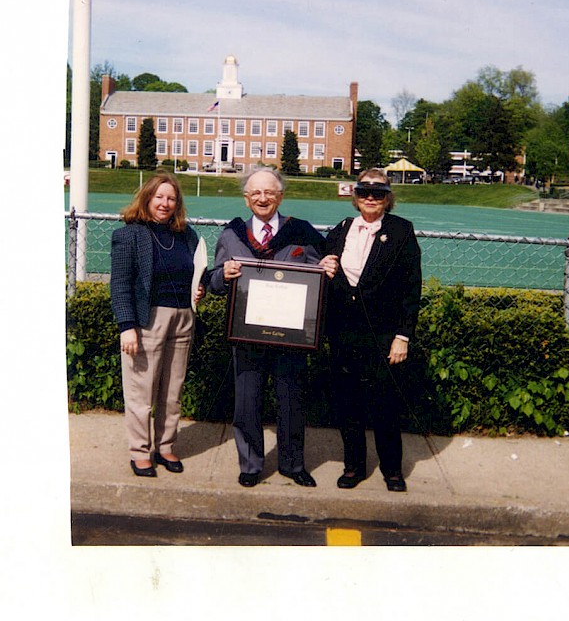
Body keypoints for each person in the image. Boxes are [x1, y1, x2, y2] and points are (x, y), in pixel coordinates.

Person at [208, 167, 338, 488]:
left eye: (269, 193)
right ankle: (251, 465)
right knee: (247, 401)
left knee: (291, 400)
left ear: (280, 196)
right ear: (246, 199)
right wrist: (223, 275)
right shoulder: (231, 235)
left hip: (291, 336)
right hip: (247, 335)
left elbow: (323, 269)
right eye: (256, 193)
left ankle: (293, 464)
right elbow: (212, 281)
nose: (263, 198)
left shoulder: (303, 233)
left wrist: (328, 265)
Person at [325, 168, 422, 492]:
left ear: (387, 198)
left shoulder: (401, 231)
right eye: (365, 192)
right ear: (355, 196)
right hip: (343, 333)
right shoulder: (340, 229)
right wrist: (324, 266)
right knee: (348, 403)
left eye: (378, 193)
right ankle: (353, 466)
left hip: (382, 334)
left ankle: (392, 470)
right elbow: (327, 272)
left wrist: (402, 336)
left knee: (385, 405)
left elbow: (411, 288)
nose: (370, 198)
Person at [110, 172, 207, 478]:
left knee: (171, 391)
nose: (165, 204)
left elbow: (194, 273)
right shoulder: (129, 235)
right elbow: (120, 284)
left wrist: (198, 287)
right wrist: (127, 325)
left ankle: (165, 446)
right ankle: (140, 452)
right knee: (141, 392)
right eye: (159, 197)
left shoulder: (187, 235)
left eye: (171, 198)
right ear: (147, 198)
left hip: (183, 318)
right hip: (147, 320)